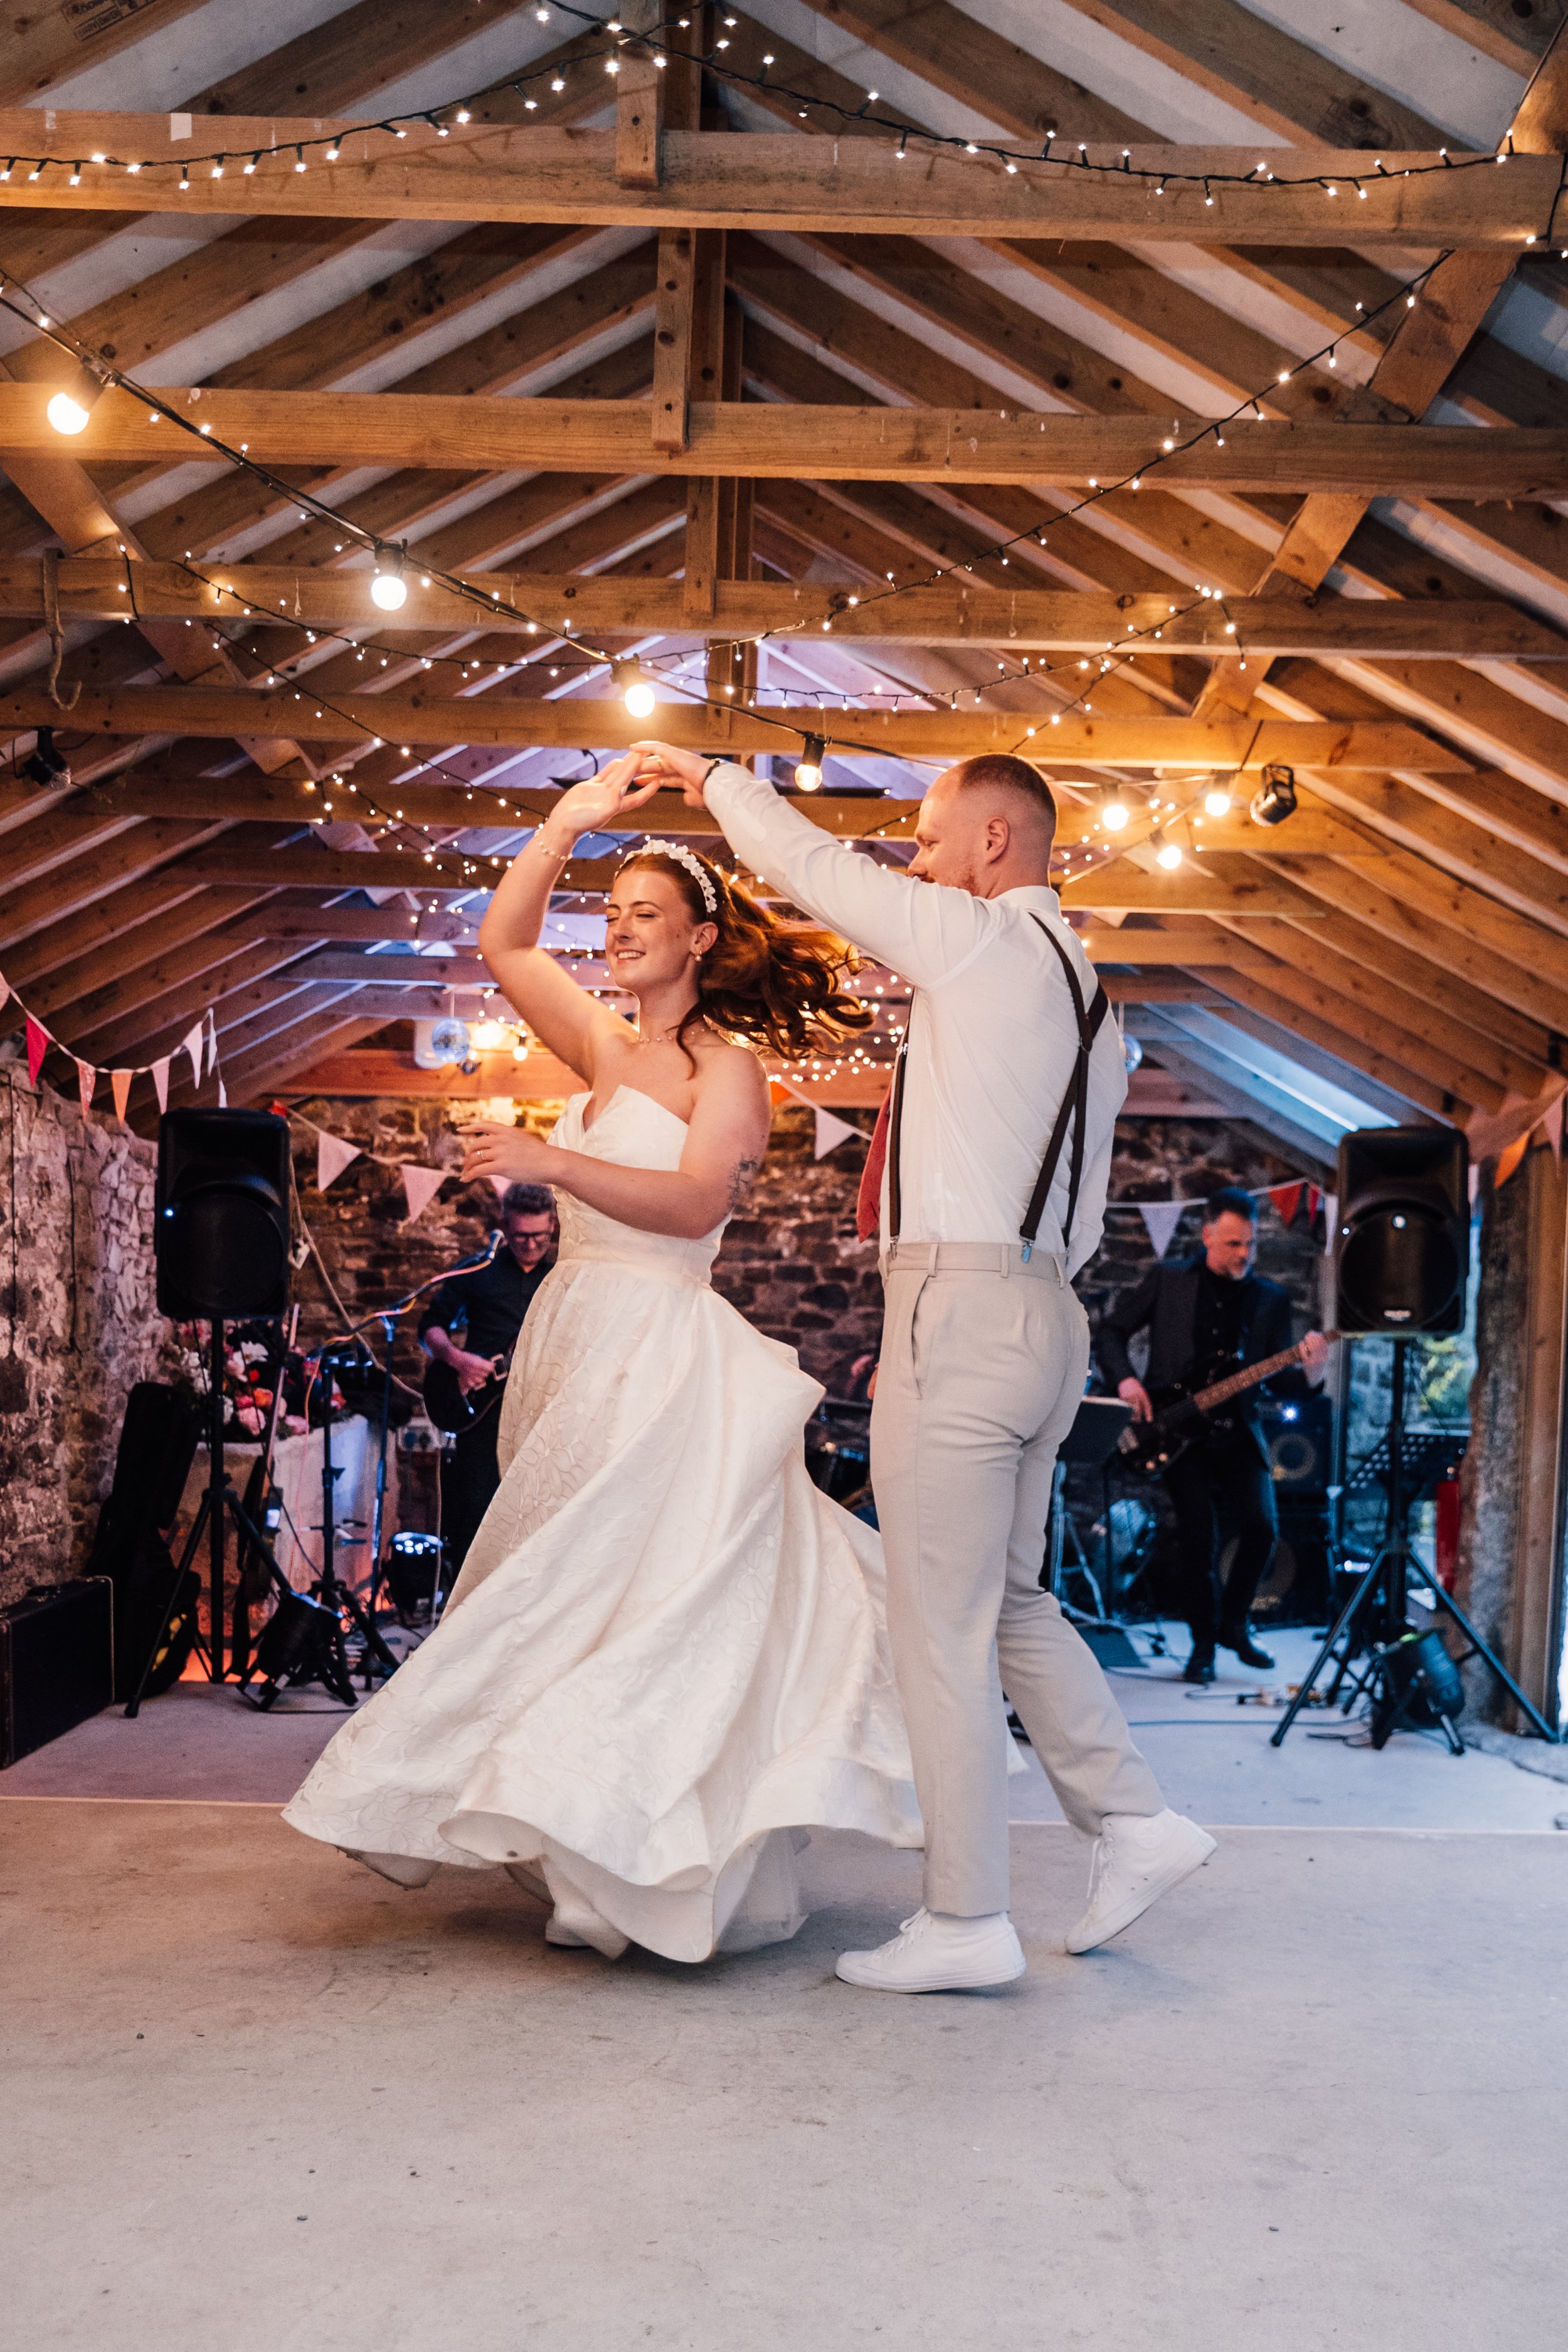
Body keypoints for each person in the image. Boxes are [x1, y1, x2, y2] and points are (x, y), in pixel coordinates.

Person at [284, 753, 923, 1964]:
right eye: (612, 915)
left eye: (645, 918)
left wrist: (551, 1161)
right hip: (572, 1337)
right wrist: (570, 820)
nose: (620, 934)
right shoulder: (601, 1042)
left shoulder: (728, 1069)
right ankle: (578, 1842)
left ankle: (641, 1862)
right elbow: (504, 942)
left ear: (699, 937)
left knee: (628, 1591)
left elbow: (691, 1207)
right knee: (567, 1589)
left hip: (662, 1344)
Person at [632, 740, 1214, 1995]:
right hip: (1045, 1322)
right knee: (1006, 1603)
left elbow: (806, 865)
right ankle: (1134, 1824)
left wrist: (711, 780)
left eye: (933, 835)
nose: (916, 854)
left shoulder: (983, 941)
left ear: (994, 844)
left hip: (958, 1308)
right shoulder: (1094, 1004)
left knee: (936, 1632)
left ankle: (966, 1919)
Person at [1098, 1187, 1330, 1685]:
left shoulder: (1270, 1300)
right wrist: (1126, 1379)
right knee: (1199, 1540)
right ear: (1206, 1236)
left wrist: (1312, 1372)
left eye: (1249, 1244)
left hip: (1238, 1431)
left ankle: (1234, 1624)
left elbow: (1283, 1382)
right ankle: (1202, 1647)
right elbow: (1111, 1332)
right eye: (1232, 1244)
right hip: (1178, 1429)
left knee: (1263, 1528)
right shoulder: (1168, 1280)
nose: (1244, 1254)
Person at [418, 1182, 557, 1577]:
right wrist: (457, 1359)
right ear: (504, 1227)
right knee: (476, 1511)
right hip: (481, 1414)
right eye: (520, 1236)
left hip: (542, 1412)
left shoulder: (565, 1277)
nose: (530, 1245)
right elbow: (430, 1328)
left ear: (554, 1226)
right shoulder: (480, 1269)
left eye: (540, 1236)